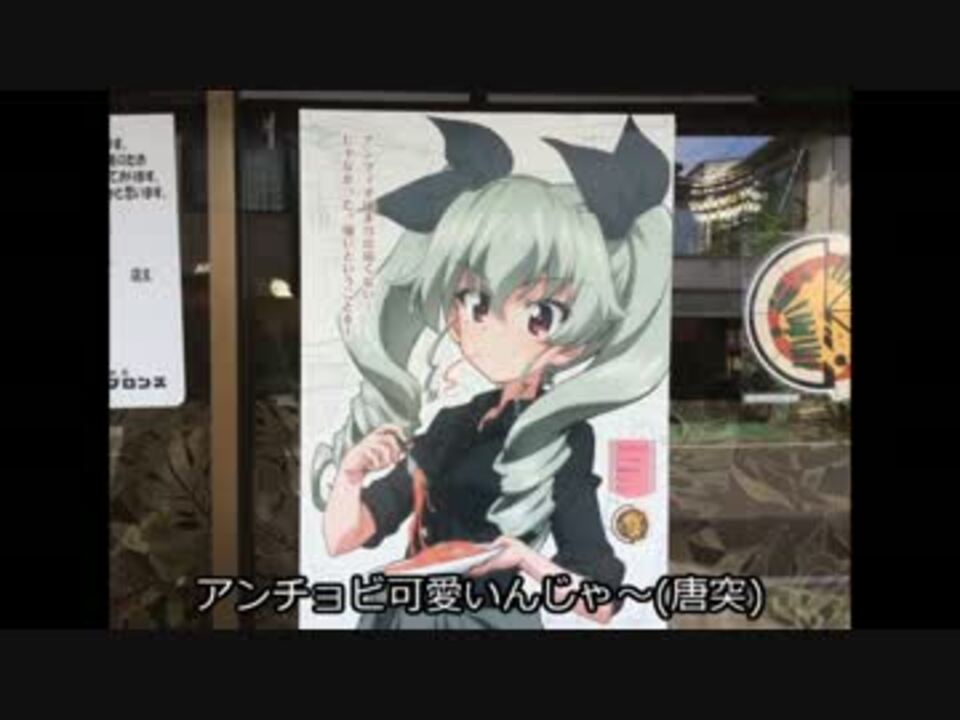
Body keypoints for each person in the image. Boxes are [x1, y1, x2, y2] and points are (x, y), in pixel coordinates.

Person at [311, 116, 672, 629]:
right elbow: (343, 537)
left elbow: (600, 604)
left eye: (540, 314)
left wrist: (522, 558)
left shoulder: (561, 438)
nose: (483, 325)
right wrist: (350, 475)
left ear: (577, 339)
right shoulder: (452, 424)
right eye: (473, 300)